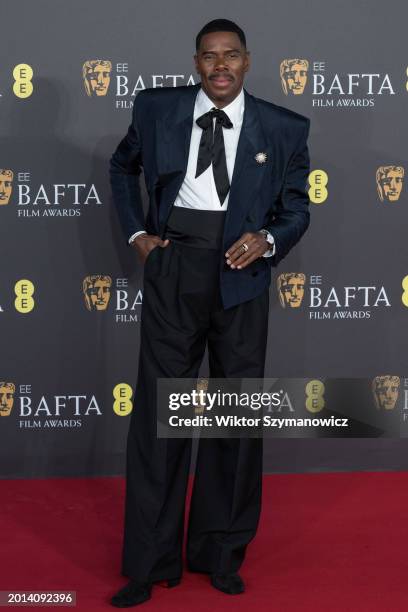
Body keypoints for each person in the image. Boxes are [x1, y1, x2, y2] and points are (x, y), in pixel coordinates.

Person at [109, 18, 311, 607]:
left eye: (231, 56)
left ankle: (219, 552)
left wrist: (269, 241)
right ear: (195, 62)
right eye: (208, 56)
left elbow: (296, 208)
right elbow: (123, 168)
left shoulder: (284, 126)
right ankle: (149, 562)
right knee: (159, 414)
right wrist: (138, 234)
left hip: (242, 276)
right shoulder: (155, 109)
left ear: (248, 62)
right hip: (176, 266)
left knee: (233, 418)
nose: (219, 66)